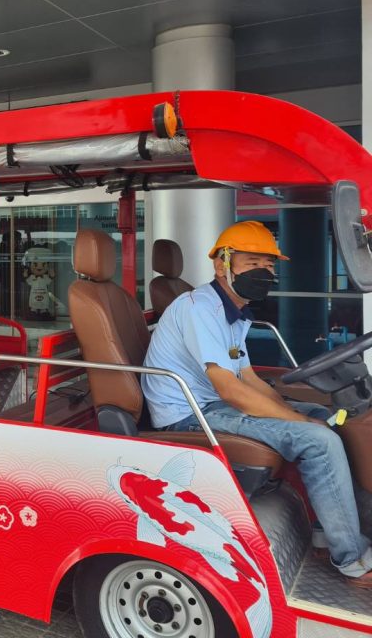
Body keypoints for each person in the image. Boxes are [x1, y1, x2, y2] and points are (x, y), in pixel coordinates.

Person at [142, 221, 372, 587]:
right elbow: (230, 390)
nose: (264, 272)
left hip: (213, 403)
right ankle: (353, 561)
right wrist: (297, 422)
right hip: (189, 413)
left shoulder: (233, 310)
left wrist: (292, 411)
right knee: (319, 439)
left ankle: (327, 531)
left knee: (328, 419)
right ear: (222, 264)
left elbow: (246, 376)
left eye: (268, 265)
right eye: (252, 263)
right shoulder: (199, 308)